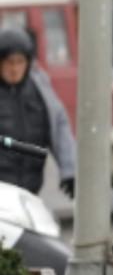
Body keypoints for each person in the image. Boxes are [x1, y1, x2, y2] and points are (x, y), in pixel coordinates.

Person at [0, 28, 76, 197]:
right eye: (9, 62)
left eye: (20, 62)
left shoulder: (40, 89)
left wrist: (71, 171)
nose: (14, 69)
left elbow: (60, 125)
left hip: (30, 192)